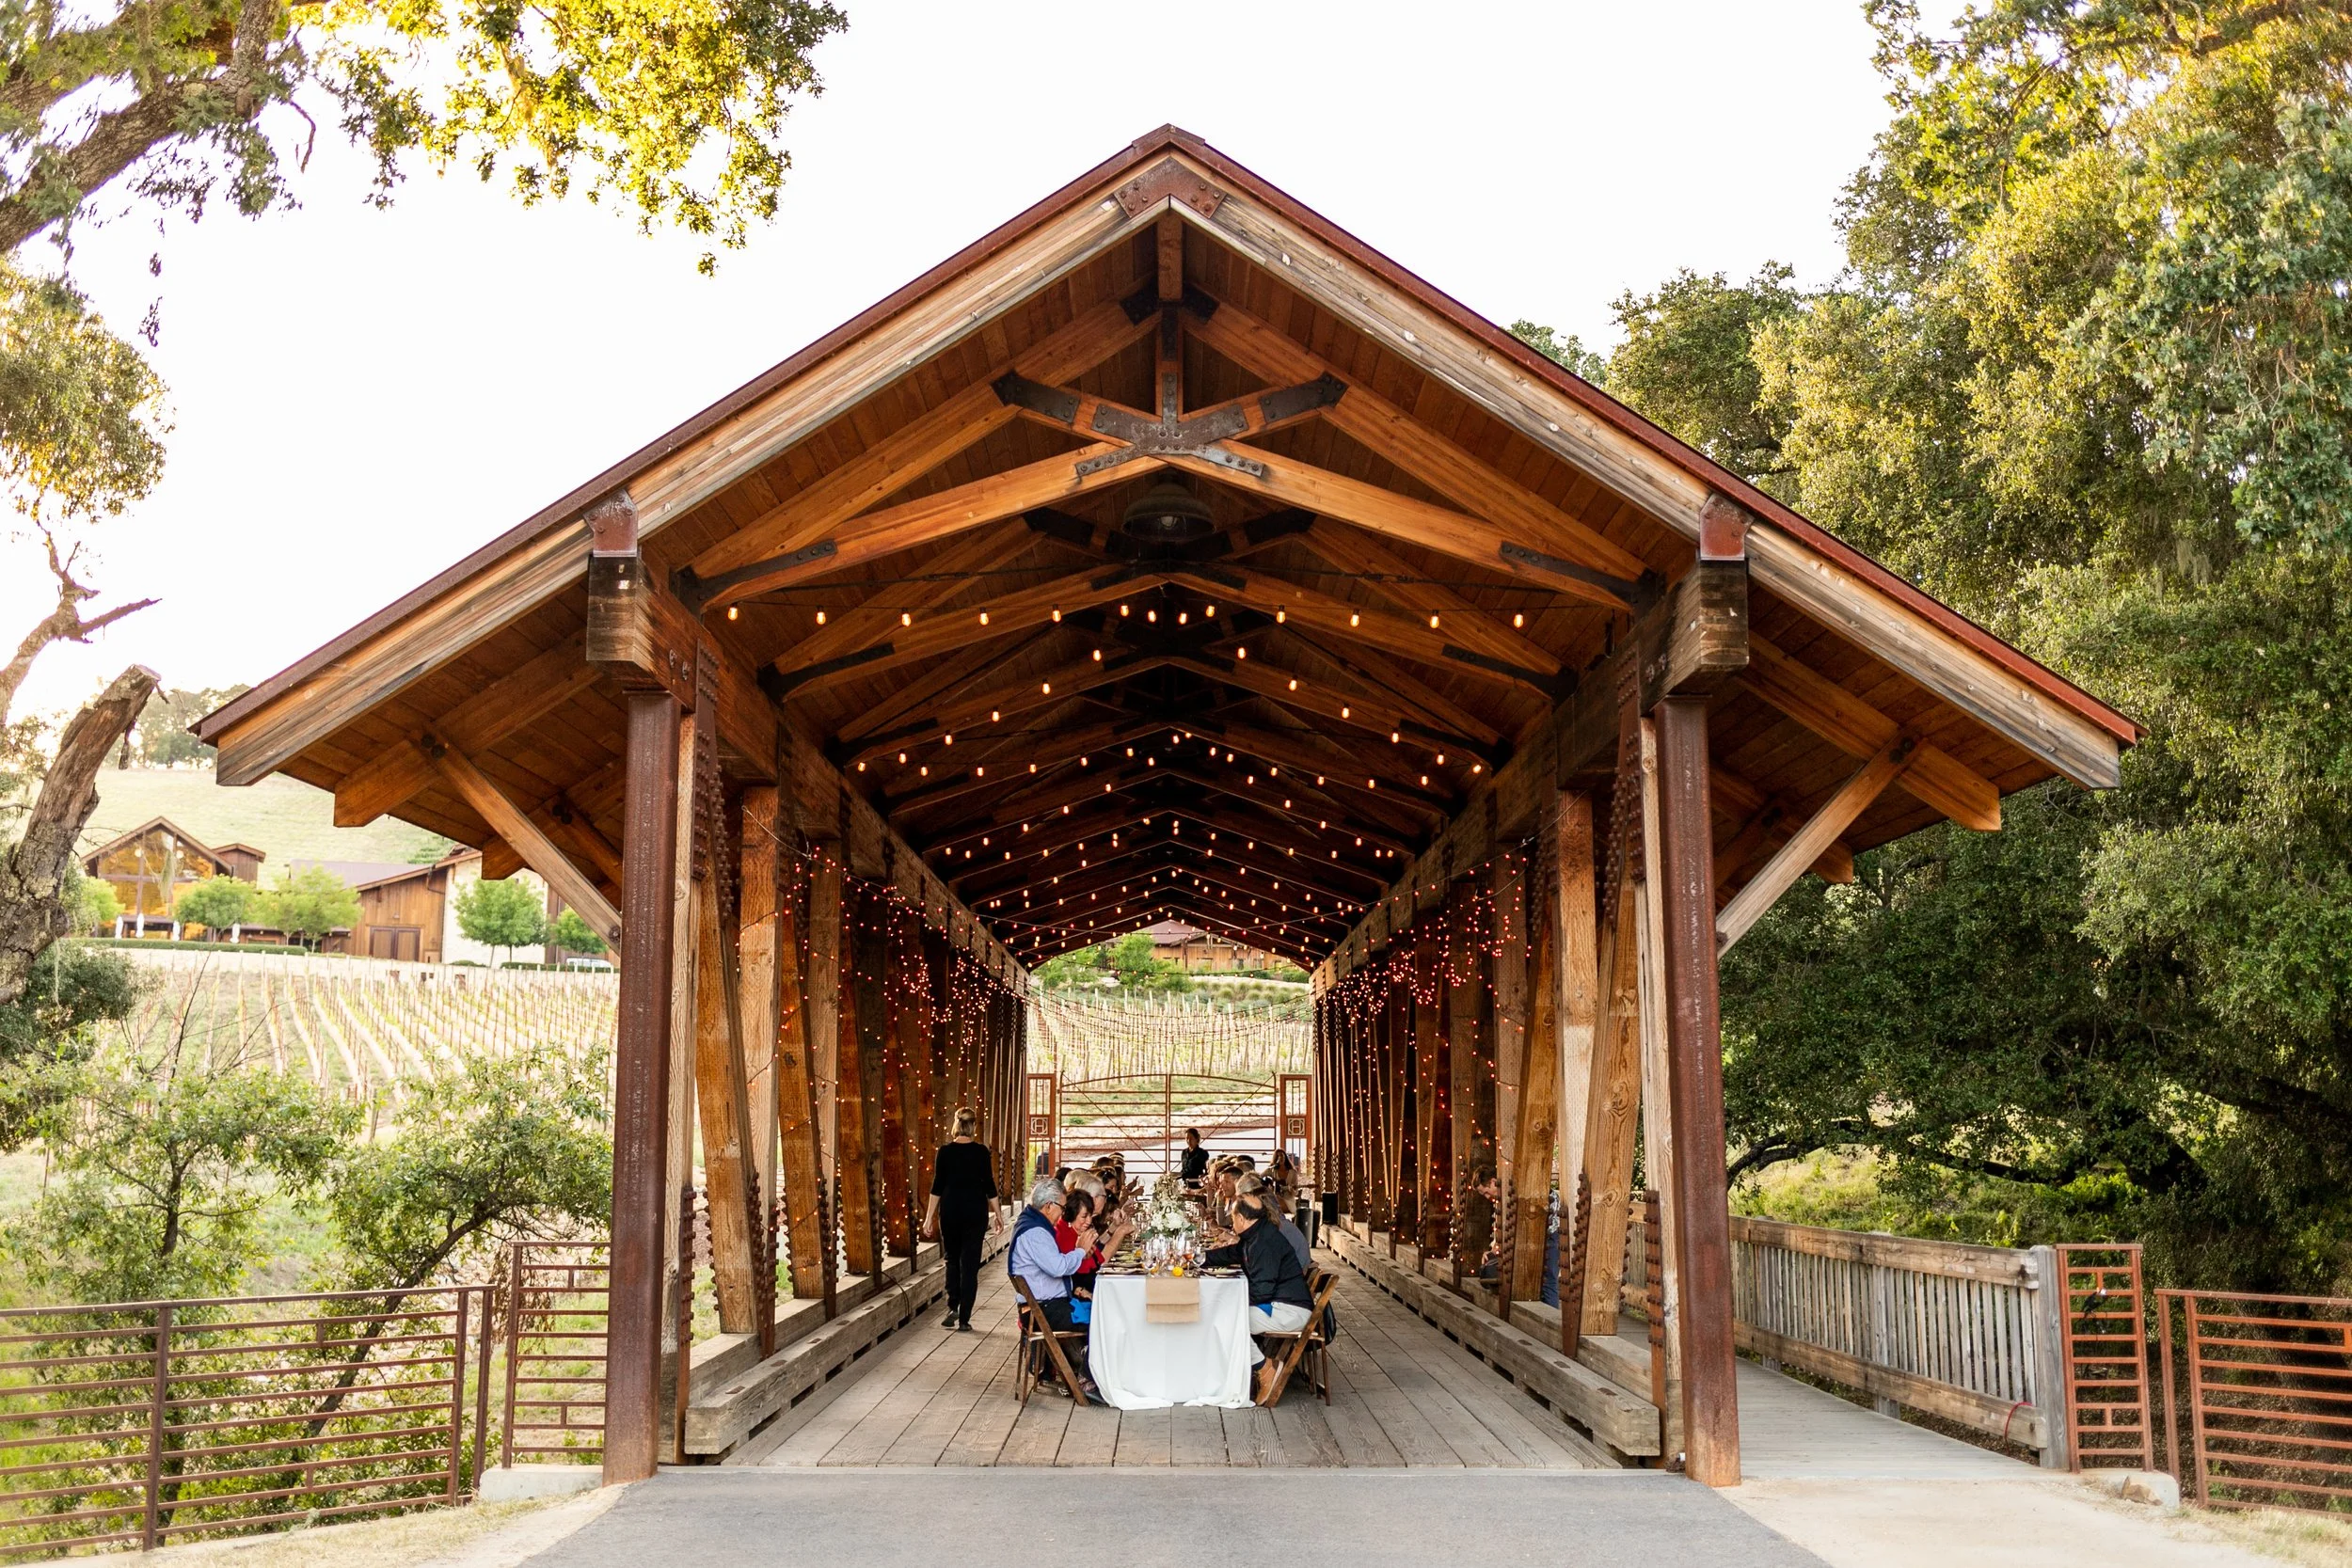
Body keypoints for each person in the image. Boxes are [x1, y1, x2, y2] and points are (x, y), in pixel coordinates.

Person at [1205, 1196, 1314, 1402]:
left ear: (1242, 1219)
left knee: (1227, 1320)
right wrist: (1200, 1257)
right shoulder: (1257, 1234)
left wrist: (1230, 1301)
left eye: (1233, 1217)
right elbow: (1231, 1253)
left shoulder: (1264, 1242)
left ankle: (1264, 1368)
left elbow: (1262, 1292)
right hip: (1279, 1304)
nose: (1231, 1221)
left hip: (1289, 1310)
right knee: (1223, 1315)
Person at [1009, 1179, 1100, 1393]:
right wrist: (1079, 1250)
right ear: (1049, 1205)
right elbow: (1058, 1267)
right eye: (1062, 1207)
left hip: (1045, 1305)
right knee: (1103, 1318)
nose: (1063, 1213)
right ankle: (1087, 1378)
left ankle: (1084, 1371)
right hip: (1043, 1310)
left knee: (1099, 1311)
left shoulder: (1031, 1223)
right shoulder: (1036, 1233)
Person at [921, 1106, 998, 1332]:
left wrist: (929, 1219)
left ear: (955, 1125)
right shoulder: (981, 1152)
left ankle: (953, 1304)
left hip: (951, 1212)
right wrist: (999, 1216)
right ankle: (965, 1318)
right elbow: (990, 1186)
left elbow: (937, 1187)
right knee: (970, 1265)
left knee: (952, 1260)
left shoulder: (945, 1152)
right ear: (973, 1126)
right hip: (975, 1213)